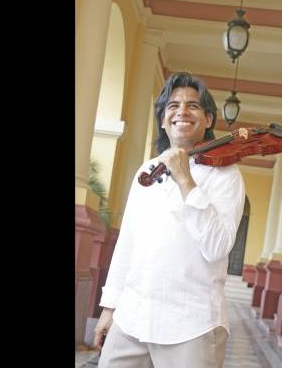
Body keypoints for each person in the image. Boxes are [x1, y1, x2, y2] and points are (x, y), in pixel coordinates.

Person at [93, 72, 246, 368]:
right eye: (173, 105)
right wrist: (110, 307)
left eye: (193, 105)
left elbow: (217, 247)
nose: (182, 112)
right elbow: (128, 243)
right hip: (132, 318)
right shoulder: (147, 170)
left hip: (192, 325)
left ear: (209, 119)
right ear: (163, 119)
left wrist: (186, 180)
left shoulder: (226, 176)